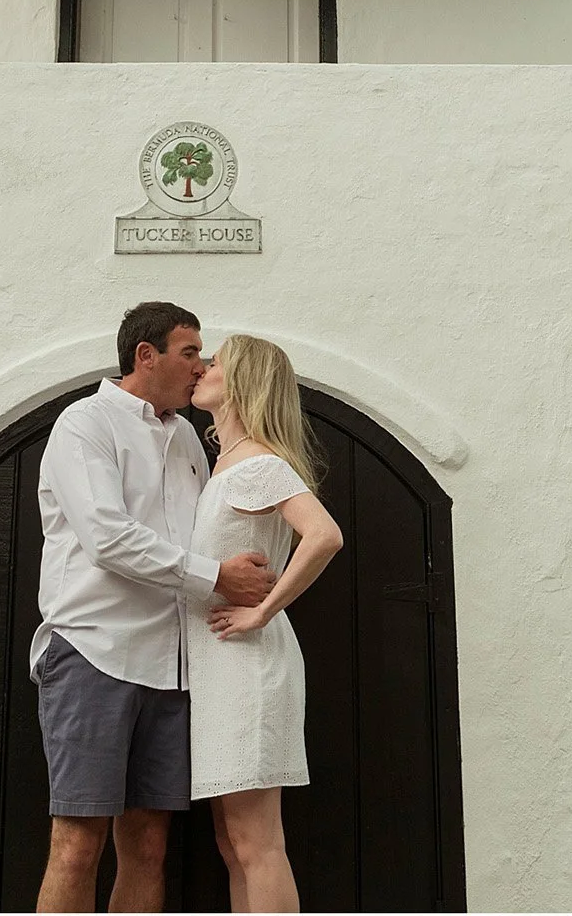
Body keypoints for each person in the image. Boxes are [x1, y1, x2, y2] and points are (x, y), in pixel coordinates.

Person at [33, 302, 275, 914]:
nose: (200, 367)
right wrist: (217, 578)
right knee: (76, 844)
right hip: (95, 653)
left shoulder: (188, 437)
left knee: (146, 846)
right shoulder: (85, 424)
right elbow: (107, 537)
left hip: (174, 668)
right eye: (190, 353)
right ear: (147, 355)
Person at [187, 336, 345, 914]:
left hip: (248, 667)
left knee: (256, 842)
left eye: (217, 363)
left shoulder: (257, 462)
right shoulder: (227, 465)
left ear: (244, 381)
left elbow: (324, 535)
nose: (203, 369)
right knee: (234, 845)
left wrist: (264, 608)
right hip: (221, 668)